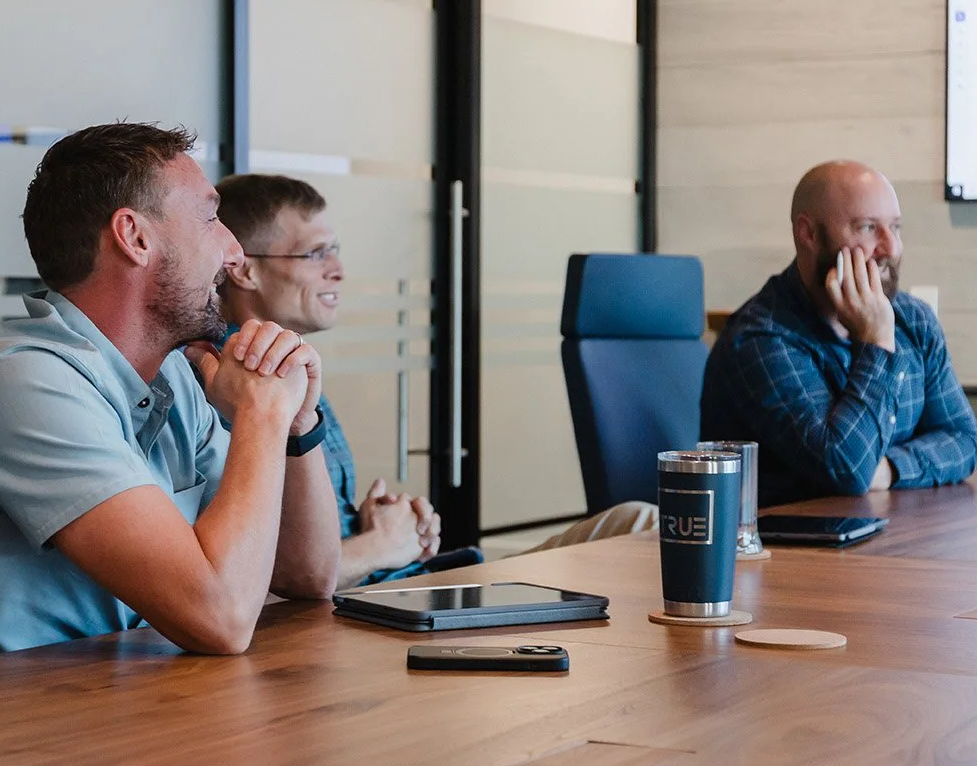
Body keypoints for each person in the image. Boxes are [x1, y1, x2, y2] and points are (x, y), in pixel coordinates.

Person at [0, 124, 341, 681]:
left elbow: (308, 577)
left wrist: (297, 422)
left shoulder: (173, 377)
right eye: (210, 217)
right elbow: (220, 617)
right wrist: (262, 412)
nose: (234, 250)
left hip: (75, 702)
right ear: (134, 237)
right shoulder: (24, 383)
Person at [214, 173, 656, 584]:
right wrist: (382, 545)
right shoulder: (233, 384)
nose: (338, 269)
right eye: (315, 253)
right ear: (244, 269)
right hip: (364, 610)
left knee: (642, 523)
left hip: (407, 583)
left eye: (336, 250)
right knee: (647, 528)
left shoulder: (292, 367)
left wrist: (383, 524)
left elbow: (307, 536)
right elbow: (269, 577)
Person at [701, 160, 977, 506]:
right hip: (790, 551)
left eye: (895, 227)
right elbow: (847, 468)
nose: (891, 247)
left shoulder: (912, 320)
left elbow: (964, 439)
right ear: (809, 234)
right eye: (867, 228)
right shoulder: (761, 339)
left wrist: (889, 469)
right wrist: (876, 341)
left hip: (886, 537)